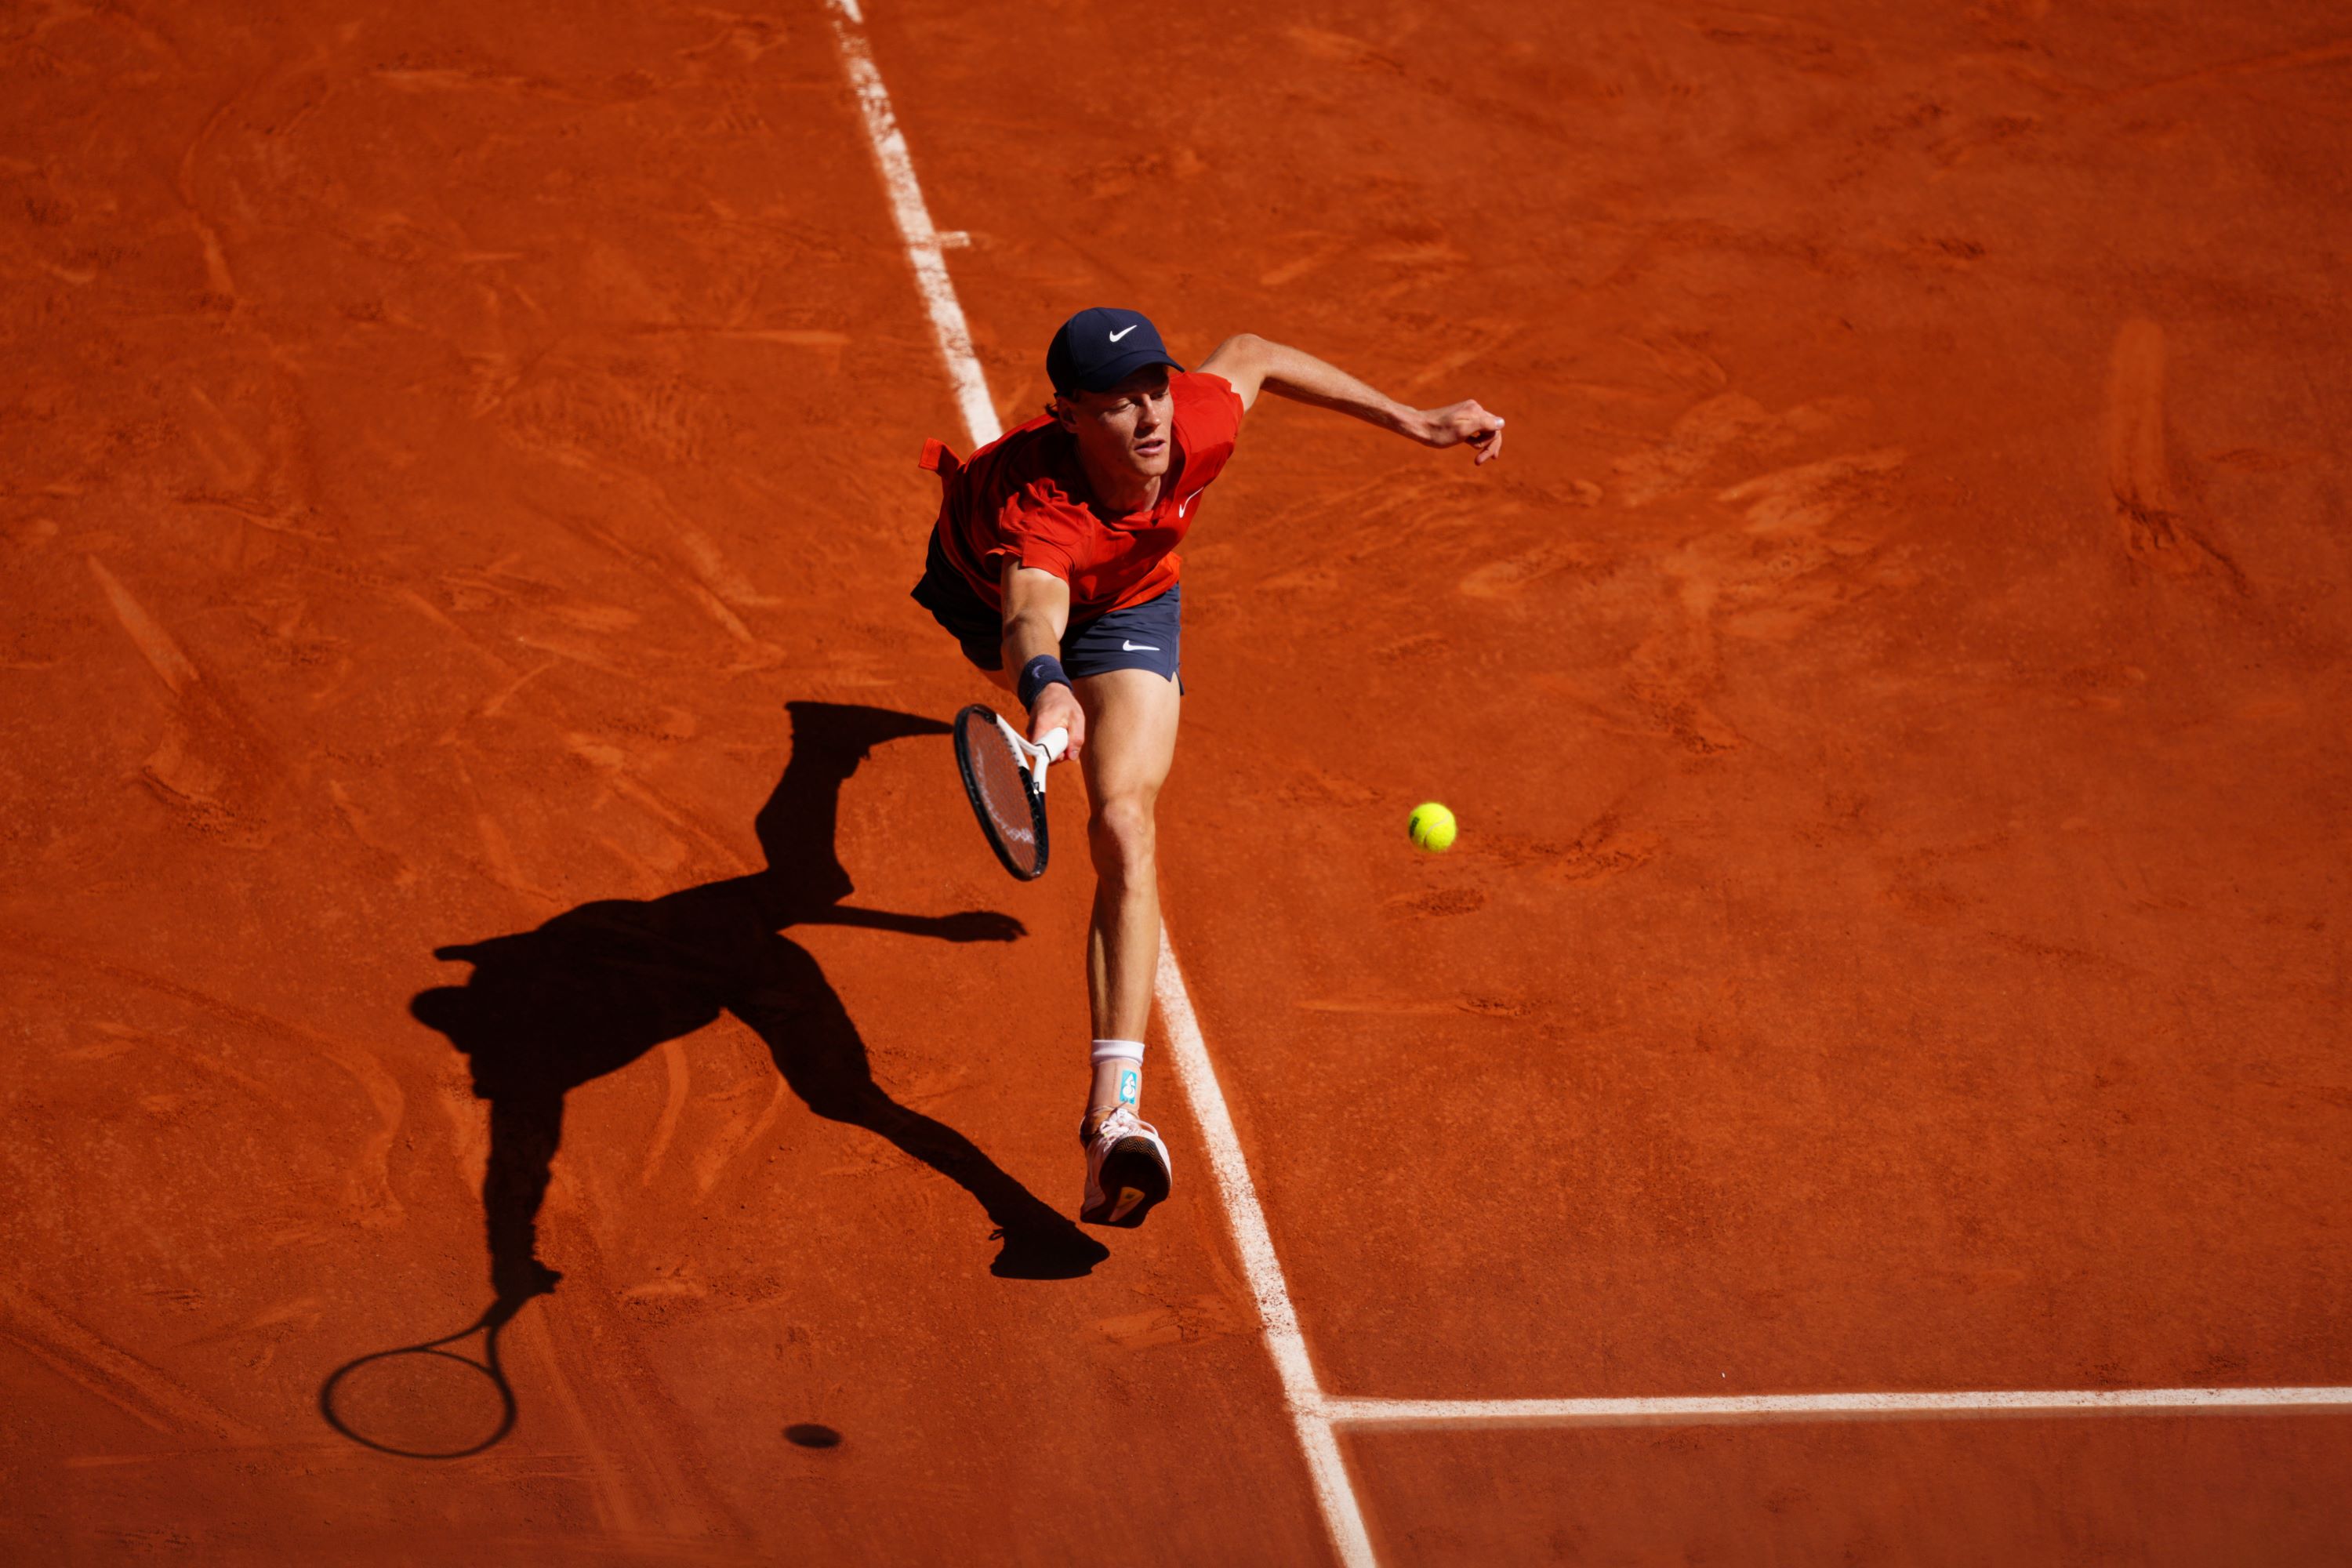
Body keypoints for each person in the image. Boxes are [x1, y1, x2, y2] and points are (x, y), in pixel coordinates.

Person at [911, 307, 1505, 1229]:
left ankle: (1112, 1121)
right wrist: (1047, 685)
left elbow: (1255, 353)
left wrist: (1416, 419)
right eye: (1119, 402)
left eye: (1155, 388)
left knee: (1122, 819)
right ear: (1068, 415)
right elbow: (1030, 615)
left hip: (1133, 596)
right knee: (1058, 689)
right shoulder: (1041, 515)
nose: (1149, 414)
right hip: (989, 591)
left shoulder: (1193, 423)